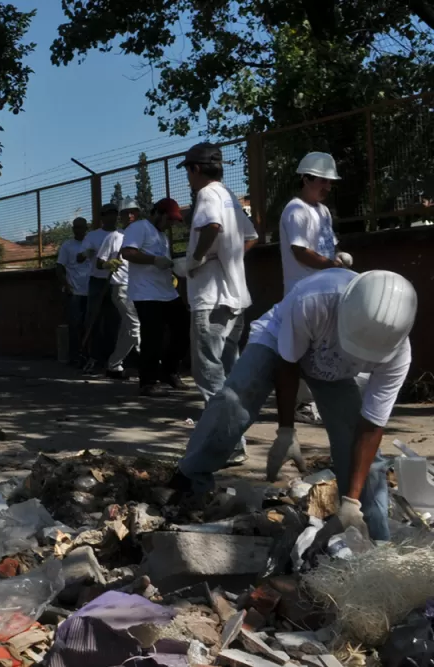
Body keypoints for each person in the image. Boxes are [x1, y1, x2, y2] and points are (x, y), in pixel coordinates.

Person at [176, 269, 416, 542]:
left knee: (361, 452)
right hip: (279, 341)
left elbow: (371, 425)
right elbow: (287, 363)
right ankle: (190, 477)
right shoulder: (315, 299)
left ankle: (374, 540)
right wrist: (286, 430)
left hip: (333, 372)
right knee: (235, 399)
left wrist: (351, 500)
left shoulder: (396, 355)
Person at [179, 142, 259, 463]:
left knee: (209, 374)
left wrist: (197, 259)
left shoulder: (208, 195)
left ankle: (225, 446)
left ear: (195, 169)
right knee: (229, 373)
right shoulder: (229, 197)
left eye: (188, 171)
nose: (188, 178)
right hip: (234, 298)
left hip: (211, 299)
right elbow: (251, 237)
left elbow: (212, 226)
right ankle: (234, 444)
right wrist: (230, 258)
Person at [281, 152, 348, 427]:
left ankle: (318, 402)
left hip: (324, 291)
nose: (328, 187)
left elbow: (327, 246)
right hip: (301, 293)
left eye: (330, 182)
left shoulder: (322, 211)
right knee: (299, 351)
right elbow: (300, 252)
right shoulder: (295, 210)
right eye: (323, 181)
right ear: (306, 178)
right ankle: (301, 405)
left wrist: (338, 260)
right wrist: (332, 265)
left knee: (324, 347)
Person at [121, 198, 188, 396]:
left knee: (183, 329)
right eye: (169, 219)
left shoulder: (162, 236)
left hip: (167, 291)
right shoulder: (139, 227)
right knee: (153, 337)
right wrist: (154, 260)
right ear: (158, 213)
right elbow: (127, 253)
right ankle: (148, 381)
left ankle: (168, 370)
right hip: (146, 293)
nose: (171, 224)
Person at [97, 198, 141, 379]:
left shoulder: (142, 235)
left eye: (133, 212)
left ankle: (114, 366)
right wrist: (108, 263)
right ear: (120, 217)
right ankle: (152, 366)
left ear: (138, 213)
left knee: (127, 330)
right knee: (136, 326)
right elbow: (99, 263)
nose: (130, 216)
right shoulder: (115, 237)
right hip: (121, 288)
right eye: (125, 213)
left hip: (139, 288)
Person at [80, 203, 119, 371]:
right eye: (107, 214)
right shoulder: (93, 236)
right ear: (102, 217)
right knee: (94, 319)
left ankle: (113, 357)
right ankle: (94, 357)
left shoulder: (122, 234)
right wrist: (84, 254)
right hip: (98, 281)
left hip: (116, 282)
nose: (111, 217)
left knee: (114, 321)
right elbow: (80, 257)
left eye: (114, 214)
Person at [55, 217, 91, 364]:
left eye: (81, 227)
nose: (78, 230)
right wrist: (67, 286)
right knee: (75, 326)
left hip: (91, 291)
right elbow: (59, 268)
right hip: (75, 292)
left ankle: (90, 355)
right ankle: (75, 357)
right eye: (76, 227)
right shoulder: (67, 246)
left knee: (90, 325)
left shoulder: (91, 244)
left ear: (86, 228)